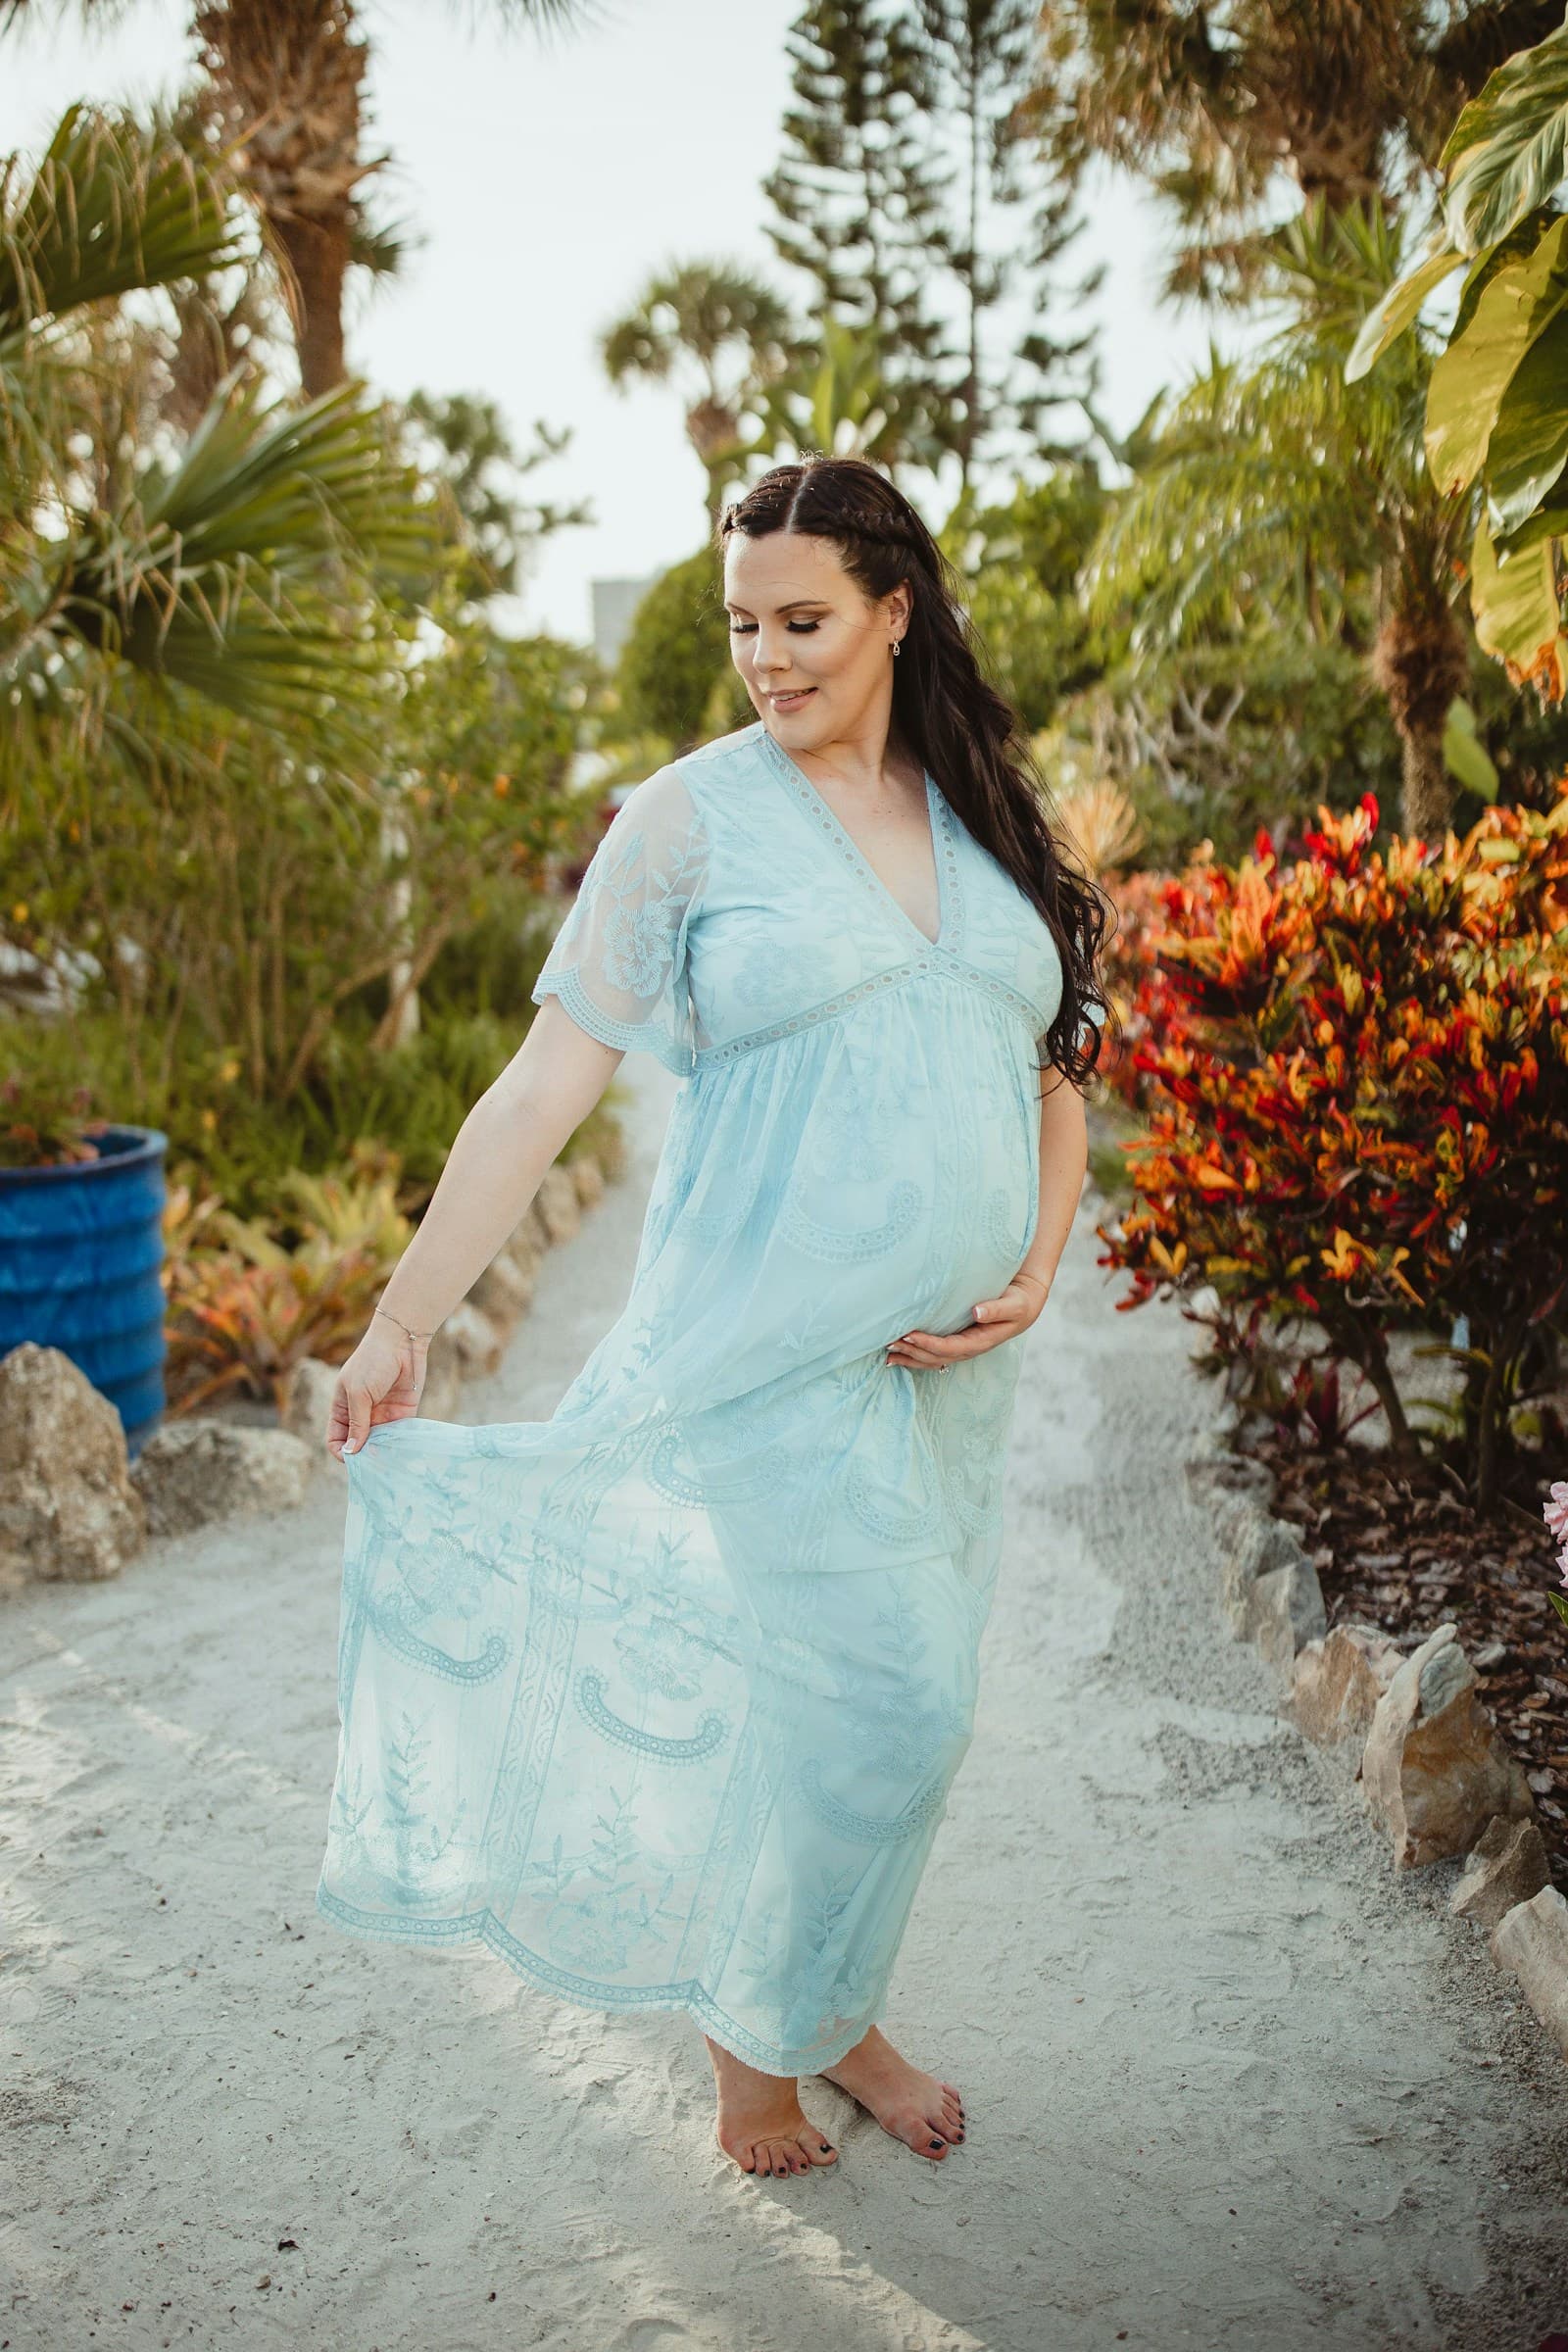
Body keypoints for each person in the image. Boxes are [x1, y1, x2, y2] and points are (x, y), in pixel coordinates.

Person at [317, 454, 1111, 2182]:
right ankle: (764, 2043)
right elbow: (541, 1089)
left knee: (896, 1705)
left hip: (948, 1377)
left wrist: (1040, 1267)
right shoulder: (689, 819)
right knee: (883, 1704)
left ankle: (831, 2006)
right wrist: (399, 1321)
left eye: (805, 619)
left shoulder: (983, 811)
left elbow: (1055, 1071)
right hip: (756, 1352)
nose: (769, 654)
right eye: (743, 622)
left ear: (899, 610)